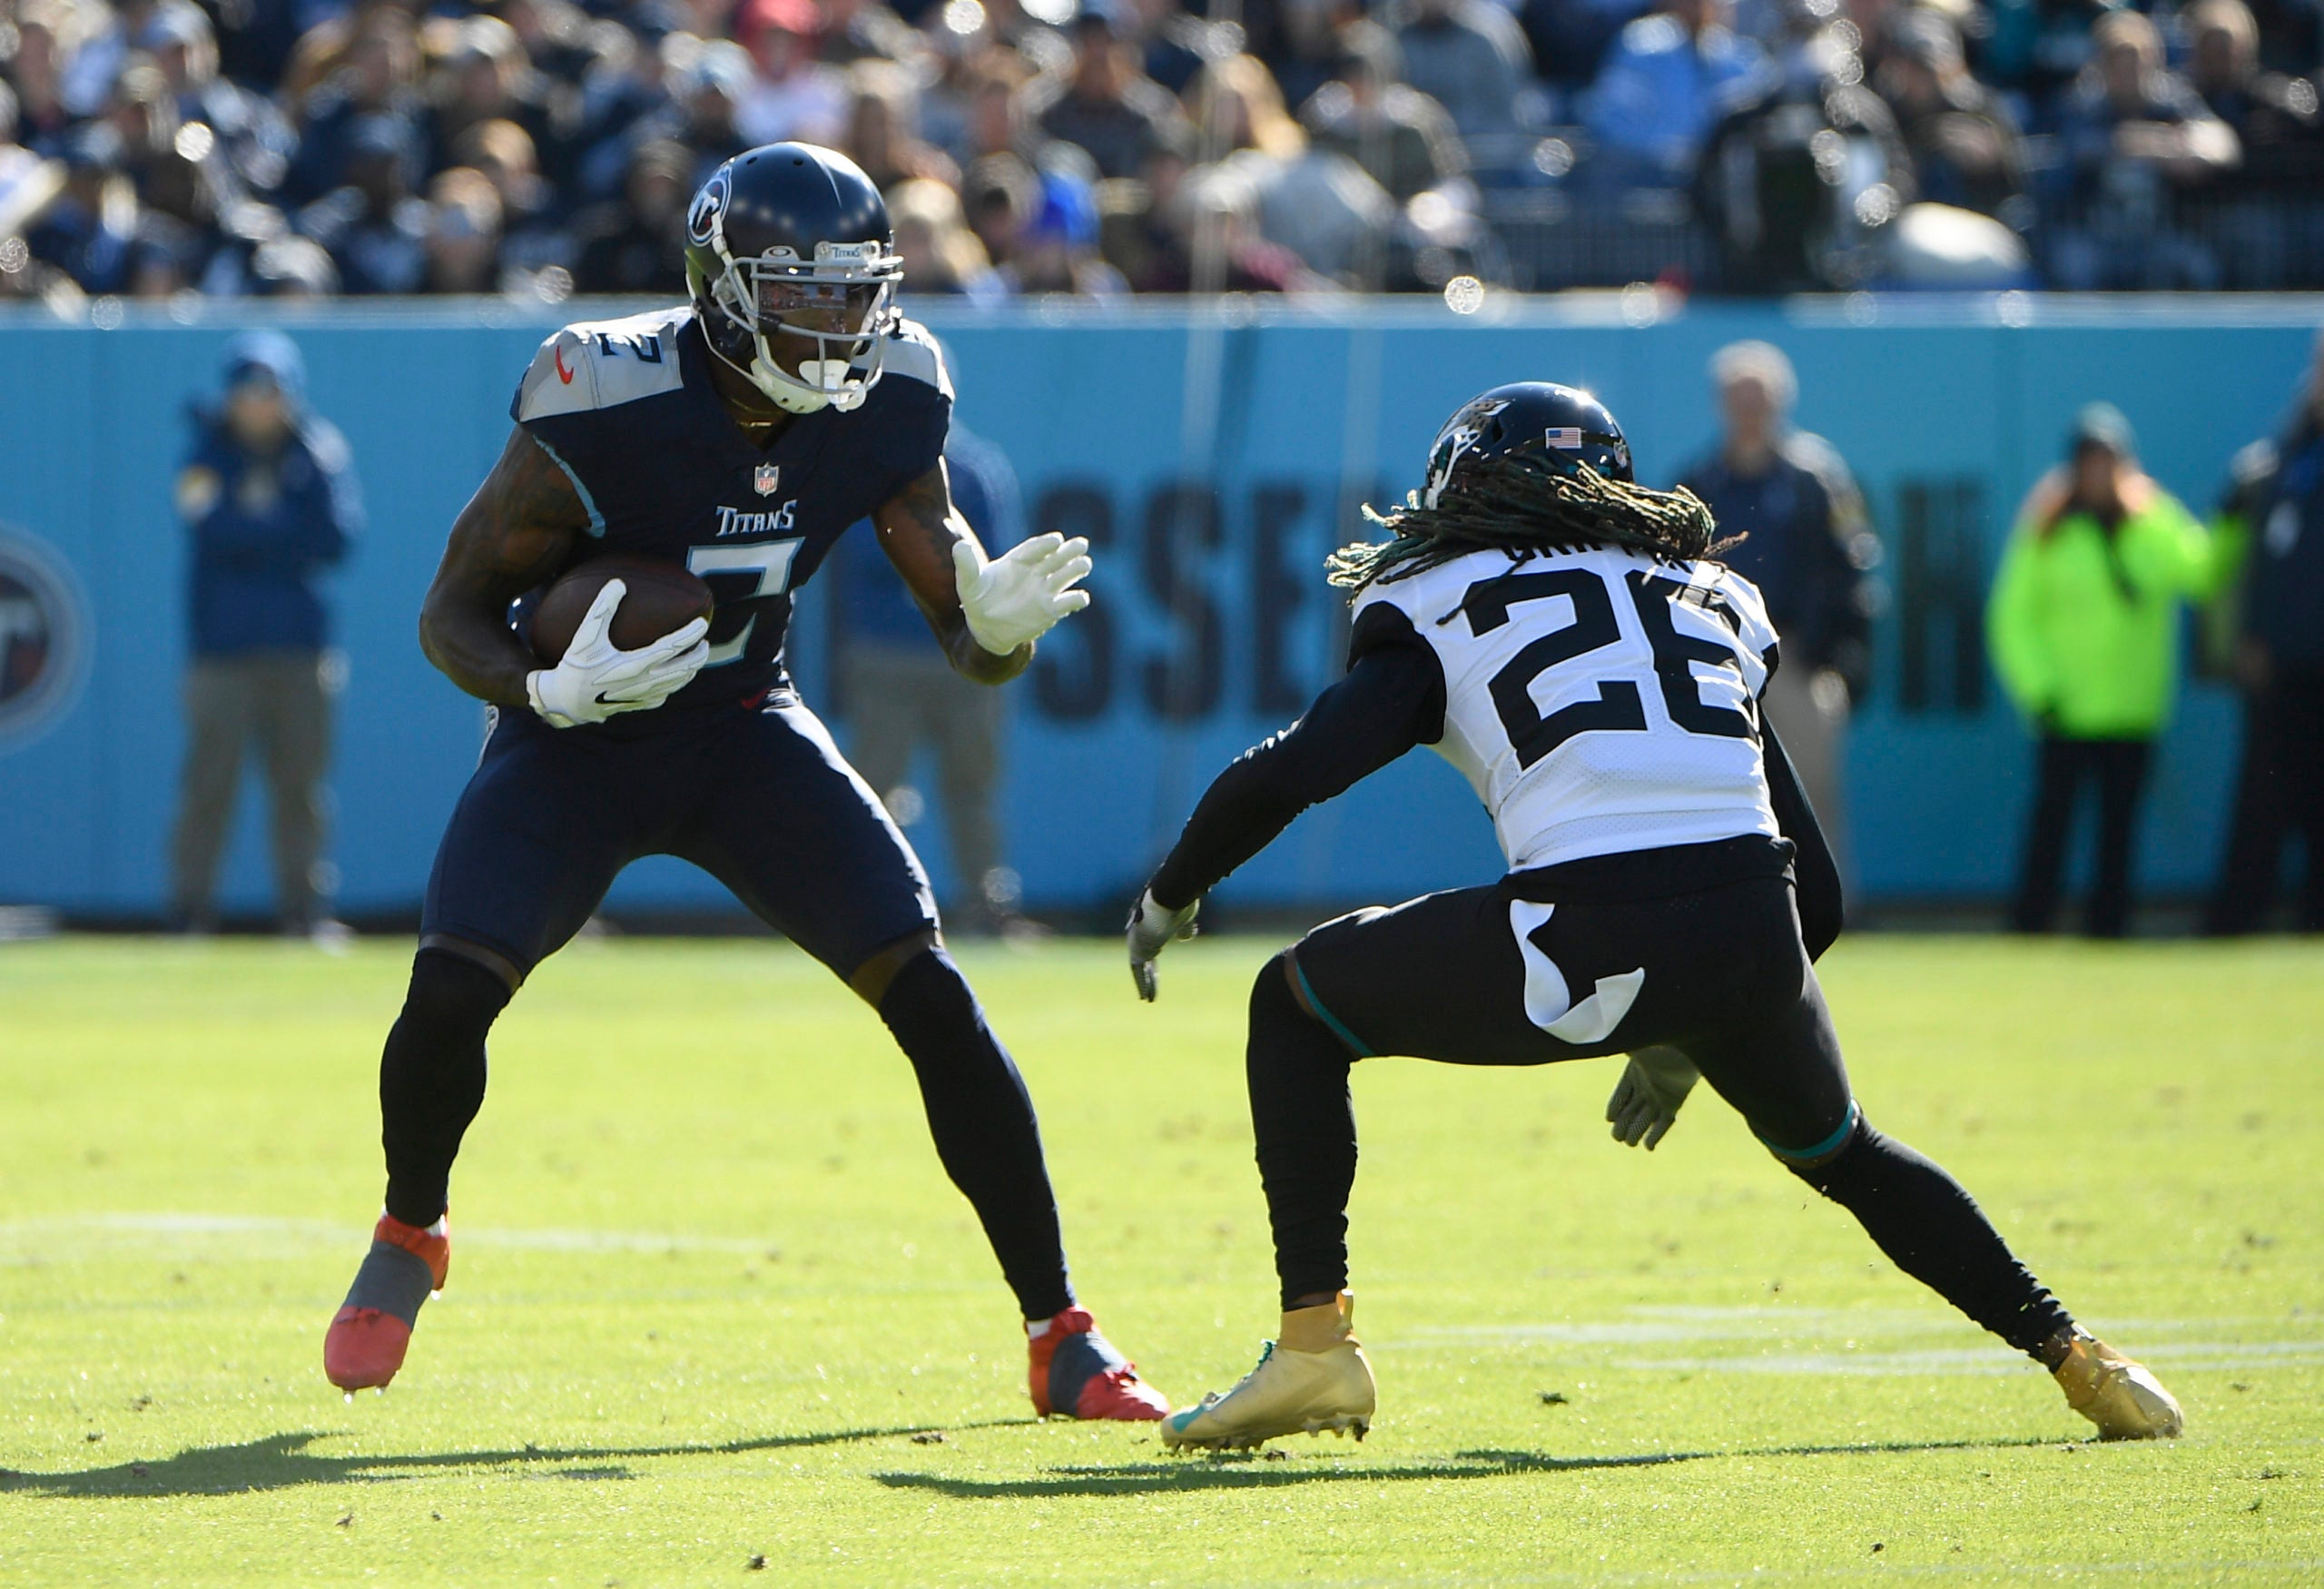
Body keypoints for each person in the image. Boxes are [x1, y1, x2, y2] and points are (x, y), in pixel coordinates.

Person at [1128, 382, 2181, 1452]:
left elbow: (1293, 770)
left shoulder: (1442, 594)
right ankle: (2082, 1358)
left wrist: (1174, 889)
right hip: (1755, 942)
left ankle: (1314, 1347)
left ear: (1474, 482)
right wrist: (1695, 1029)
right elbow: (1812, 895)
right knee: (1847, 1151)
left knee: (1295, 1002)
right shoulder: (1704, 592)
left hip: (1584, 940)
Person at [320, 143, 1167, 1426]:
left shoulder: (893, 396)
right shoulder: (599, 395)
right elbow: (450, 614)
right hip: (578, 743)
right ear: (723, 287)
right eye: (805, 292)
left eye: (856, 292)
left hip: (742, 728)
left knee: (933, 994)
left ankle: (1061, 1331)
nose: (840, 325)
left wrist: (995, 625)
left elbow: (967, 647)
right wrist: (540, 694)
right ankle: (412, 1223)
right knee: (449, 991)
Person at [1987, 404, 2224, 938]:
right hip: (2065, 708)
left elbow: (2202, 574)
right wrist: (2040, 690)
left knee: (2118, 830)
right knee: (2052, 825)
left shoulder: (2151, 519)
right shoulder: (2047, 526)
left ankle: (2109, 929)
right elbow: (2012, 617)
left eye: (2108, 460)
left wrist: (2226, 518)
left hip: (2131, 707)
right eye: (2087, 460)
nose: (2097, 471)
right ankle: (2031, 925)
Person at [169, 331, 359, 940]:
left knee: (301, 790)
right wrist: (278, 529)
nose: (257, 402)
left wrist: (255, 527)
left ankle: (305, 915)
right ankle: (190, 913)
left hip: (301, 652)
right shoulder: (202, 455)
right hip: (220, 654)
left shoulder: (319, 452)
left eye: (269, 389)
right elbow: (209, 530)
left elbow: (334, 538)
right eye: (246, 390)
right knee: (207, 787)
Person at [1679, 341, 1877, 890]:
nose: (1749, 414)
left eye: (1759, 401)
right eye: (1739, 401)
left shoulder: (1815, 477)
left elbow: (1852, 566)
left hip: (1796, 656)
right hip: (1717, 660)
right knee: (1718, 794)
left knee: (1813, 792)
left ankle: (1832, 912)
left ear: (1779, 404)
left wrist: (1841, 656)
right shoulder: (1699, 483)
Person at [833, 421, 1032, 935]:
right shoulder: (866, 465)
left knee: (973, 784)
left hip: (962, 652)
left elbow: (995, 559)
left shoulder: (972, 469)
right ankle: (868, 903)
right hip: (885, 653)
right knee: (875, 787)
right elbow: (860, 548)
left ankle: (985, 905)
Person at [2205, 333, 2324, 934]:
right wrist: (2250, 637)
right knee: (2265, 800)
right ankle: (2239, 918)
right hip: (2281, 662)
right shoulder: (2281, 461)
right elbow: (2255, 566)